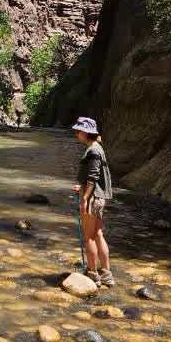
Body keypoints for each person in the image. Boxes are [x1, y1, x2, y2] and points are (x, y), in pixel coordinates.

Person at [72, 117, 114, 287]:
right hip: (97, 197)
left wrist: (84, 197)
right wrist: (81, 187)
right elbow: (92, 177)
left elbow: (93, 176)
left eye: (78, 130)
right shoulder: (96, 148)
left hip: (92, 198)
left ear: (85, 132)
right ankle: (106, 274)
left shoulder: (94, 150)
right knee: (97, 234)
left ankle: (92, 274)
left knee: (88, 237)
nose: (76, 133)